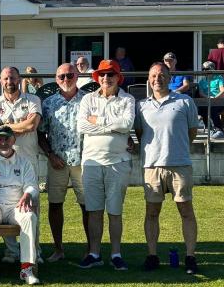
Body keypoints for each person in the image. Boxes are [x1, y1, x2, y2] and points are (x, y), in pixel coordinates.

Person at [135, 62, 200, 275]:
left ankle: (190, 256)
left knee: (186, 211)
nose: (157, 79)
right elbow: (138, 133)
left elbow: (192, 132)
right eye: (153, 75)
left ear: (169, 76)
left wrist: (176, 149)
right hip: (152, 166)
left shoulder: (185, 101)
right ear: (149, 79)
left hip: (179, 164)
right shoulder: (141, 105)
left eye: (162, 75)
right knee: (152, 213)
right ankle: (152, 256)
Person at [77, 59, 135, 270]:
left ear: (118, 78)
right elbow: (82, 125)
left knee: (114, 211)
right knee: (94, 210)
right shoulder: (87, 99)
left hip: (118, 162)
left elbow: (126, 124)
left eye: (110, 75)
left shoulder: (127, 99)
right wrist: (112, 126)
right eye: (102, 75)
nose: (106, 78)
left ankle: (116, 253)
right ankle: (94, 253)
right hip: (91, 162)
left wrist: (98, 121)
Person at [0, 65, 42, 263]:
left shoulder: (33, 100)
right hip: (0, 159)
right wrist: (19, 126)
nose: (9, 82)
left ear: (19, 80)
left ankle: (35, 250)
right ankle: (11, 251)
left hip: (27, 158)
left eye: (13, 78)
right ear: (1, 81)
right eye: (6, 79)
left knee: (31, 206)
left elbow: (32, 125)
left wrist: (6, 127)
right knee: (4, 201)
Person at [37, 62, 90, 262]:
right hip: (57, 162)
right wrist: (50, 155)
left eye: (70, 75)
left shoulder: (88, 100)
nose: (66, 80)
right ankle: (58, 249)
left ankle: (91, 249)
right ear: (56, 79)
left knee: (87, 206)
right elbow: (40, 133)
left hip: (83, 162)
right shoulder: (49, 103)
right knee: (55, 205)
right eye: (61, 77)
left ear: (77, 76)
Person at [0, 126, 41, 285]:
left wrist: (27, 194)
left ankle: (26, 268)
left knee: (29, 217)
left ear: (13, 140)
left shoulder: (24, 162)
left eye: (7, 138)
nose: (3, 142)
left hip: (16, 205)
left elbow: (32, 186)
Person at [197, 61, 224, 139]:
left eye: (206, 69)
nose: (204, 71)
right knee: (202, 109)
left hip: (220, 101)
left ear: (212, 69)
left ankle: (220, 130)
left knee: (212, 109)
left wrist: (215, 98)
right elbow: (201, 93)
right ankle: (210, 129)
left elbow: (223, 91)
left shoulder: (219, 77)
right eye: (203, 69)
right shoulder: (202, 81)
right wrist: (208, 97)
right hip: (207, 100)